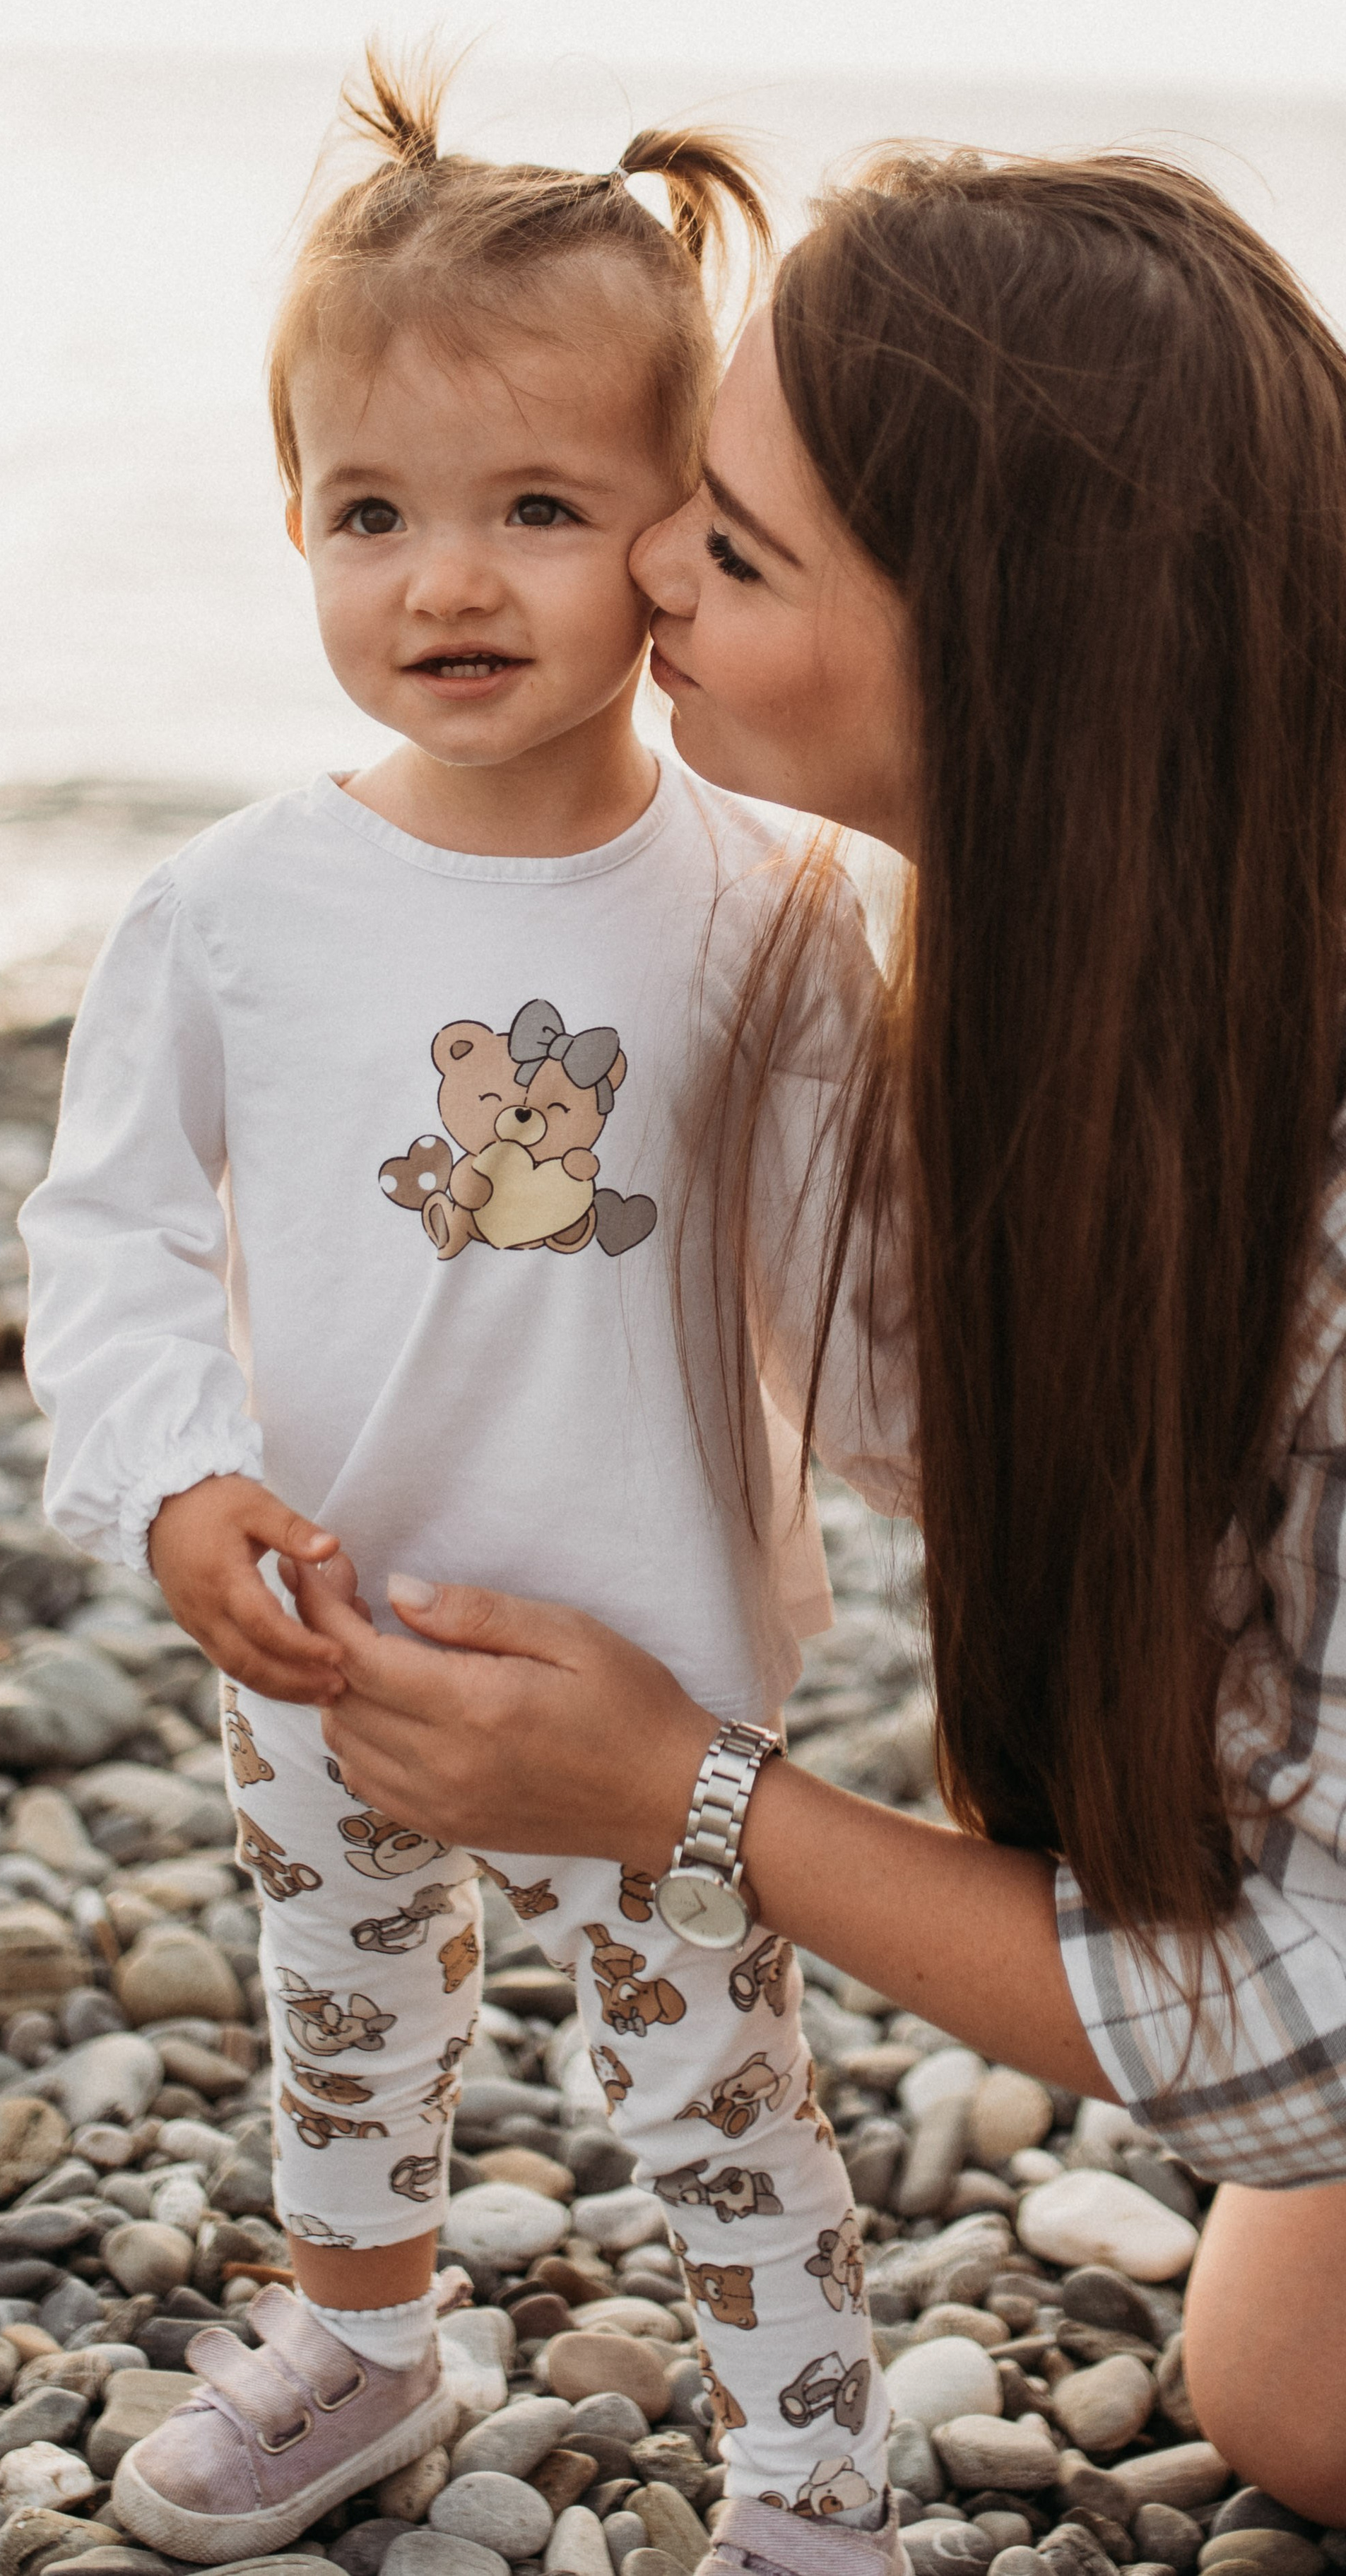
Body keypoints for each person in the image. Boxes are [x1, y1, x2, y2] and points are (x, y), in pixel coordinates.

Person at [285, 147, 1346, 2544]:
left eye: (734, 548)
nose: (650, 558)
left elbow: (1302, 2018)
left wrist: (685, 1787)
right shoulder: (1086, 946)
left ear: (1009, 656)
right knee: (1281, 2370)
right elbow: (918, 1423)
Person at [20, 53, 921, 2566]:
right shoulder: (230, 908)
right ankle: (365, 2345)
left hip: (652, 1638)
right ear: (292, 521)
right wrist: (182, 1478)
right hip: (320, 1601)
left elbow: (861, 1280)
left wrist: (973, 1475)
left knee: (721, 2074)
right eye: (374, 513)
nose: (449, 581)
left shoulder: (769, 907)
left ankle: (812, 2464)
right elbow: (103, 1231)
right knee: (346, 2012)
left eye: (541, 509)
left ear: (676, 542)